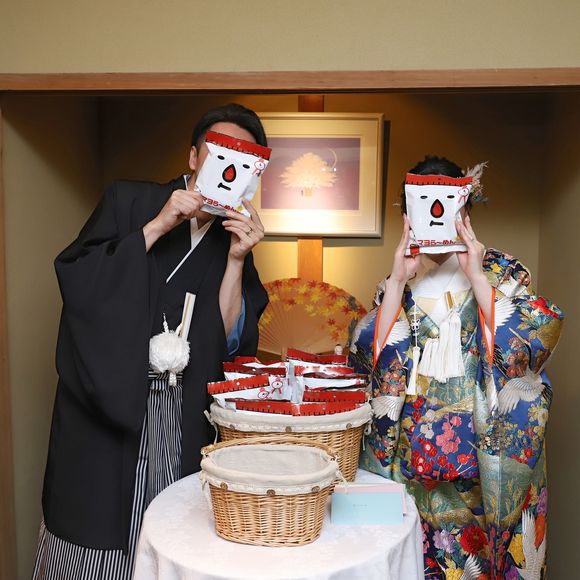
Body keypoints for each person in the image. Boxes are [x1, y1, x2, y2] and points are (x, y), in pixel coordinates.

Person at [33, 103, 269, 579]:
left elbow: (227, 340)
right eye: (217, 152)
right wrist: (159, 225)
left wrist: (237, 259)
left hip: (181, 413)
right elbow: (80, 281)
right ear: (193, 157)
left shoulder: (233, 236)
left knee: (175, 531)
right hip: (109, 404)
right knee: (95, 527)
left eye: (243, 163)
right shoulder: (129, 200)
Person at [349, 156, 564, 579]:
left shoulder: (502, 274)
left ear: (464, 211)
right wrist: (397, 280)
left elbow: (536, 342)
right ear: (408, 217)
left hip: (484, 468)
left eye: (447, 204)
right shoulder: (397, 284)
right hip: (412, 468)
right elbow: (367, 362)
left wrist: (478, 277)